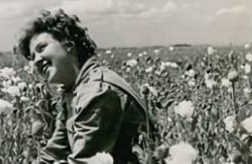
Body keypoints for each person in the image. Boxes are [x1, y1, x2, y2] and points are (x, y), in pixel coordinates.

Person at [15, 9, 156, 164]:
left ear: (68, 45)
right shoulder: (72, 90)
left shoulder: (98, 91)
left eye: (41, 48)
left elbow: (85, 161)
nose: (36, 60)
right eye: (32, 57)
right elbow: (56, 152)